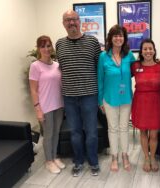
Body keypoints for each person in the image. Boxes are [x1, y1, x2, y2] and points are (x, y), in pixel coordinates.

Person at [55, 10, 101, 177]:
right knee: (75, 132)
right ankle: (79, 161)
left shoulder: (92, 42)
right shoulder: (59, 44)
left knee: (91, 131)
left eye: (74, 19)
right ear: (63, 23)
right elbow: (62, 67)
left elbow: (99, 67)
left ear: (80, 21)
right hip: (69, 97)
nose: (71, 23)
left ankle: (93, 162)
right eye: (67, 20)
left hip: (89, 95)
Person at [97, 24, 136, 172]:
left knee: (124, 128)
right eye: (115, 35)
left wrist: (157, 62)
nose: (118, 38)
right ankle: (114, 157)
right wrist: (100, 100)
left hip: (126, 98)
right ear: (110, 38)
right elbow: (99, 79)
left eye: (121, 35)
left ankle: (125, 155)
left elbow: (139, 69)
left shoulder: (129, 55)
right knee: (112, 129)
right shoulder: (103, 56)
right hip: (109, 99)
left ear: (124, 38)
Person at [29, 35, 65, 174]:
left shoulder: (57, 65)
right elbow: (33, 89)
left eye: (48, 45)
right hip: (45, 106)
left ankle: (55, 156)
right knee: (48, 134)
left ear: (52, 47)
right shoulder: (35, 66)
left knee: (56, 132)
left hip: (59, 105)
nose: (46, 49)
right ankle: (48, 161)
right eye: (43, 46)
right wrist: (38, 109)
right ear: (38, 49)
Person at [131, 39, 160, 172]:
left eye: (150, 48)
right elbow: (121, 74)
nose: (148, 51)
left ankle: (153, 158)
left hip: (156, 103)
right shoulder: (135, 66)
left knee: (154, 135)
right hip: (140, 102)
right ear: (141, 51)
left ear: (154, 50)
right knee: (143, 132)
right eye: (145, 49)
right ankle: (146, 157)